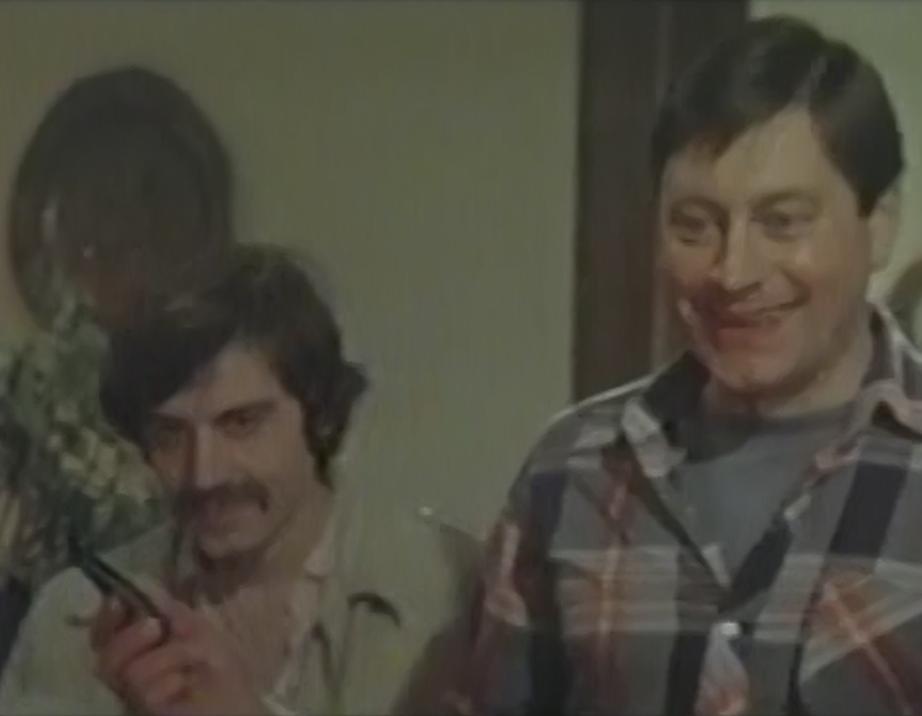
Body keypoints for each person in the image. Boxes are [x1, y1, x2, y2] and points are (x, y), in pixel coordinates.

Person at [450, 16, 922, 716]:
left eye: (782, 222)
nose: (732, 272)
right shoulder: (574, 470)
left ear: (879, 222)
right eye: (694, 227)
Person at [0, 244, 446, 715]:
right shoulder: (70, 618)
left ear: (320, 415)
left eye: (242, 423)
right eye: (169, 434)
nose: (204, 474)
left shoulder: (443, 597)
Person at [0, 65, 231, 668]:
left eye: (131, 240)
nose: (112, 257)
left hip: (148, 613)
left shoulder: (206, 373)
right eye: (94, 241)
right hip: (34, 615)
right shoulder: (32, 369)